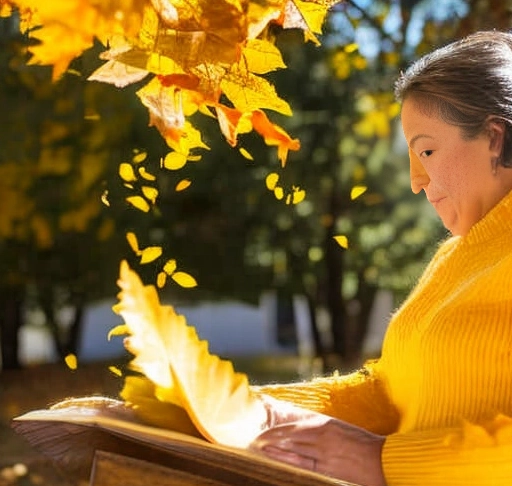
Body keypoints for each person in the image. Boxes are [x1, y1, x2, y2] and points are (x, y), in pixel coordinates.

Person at [248, 30, 512, 486]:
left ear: (493, 137)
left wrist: (384, 461)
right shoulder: (453, 258)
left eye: (426, 150)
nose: (415, 180)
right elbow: (389, 394)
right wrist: (246, 410)